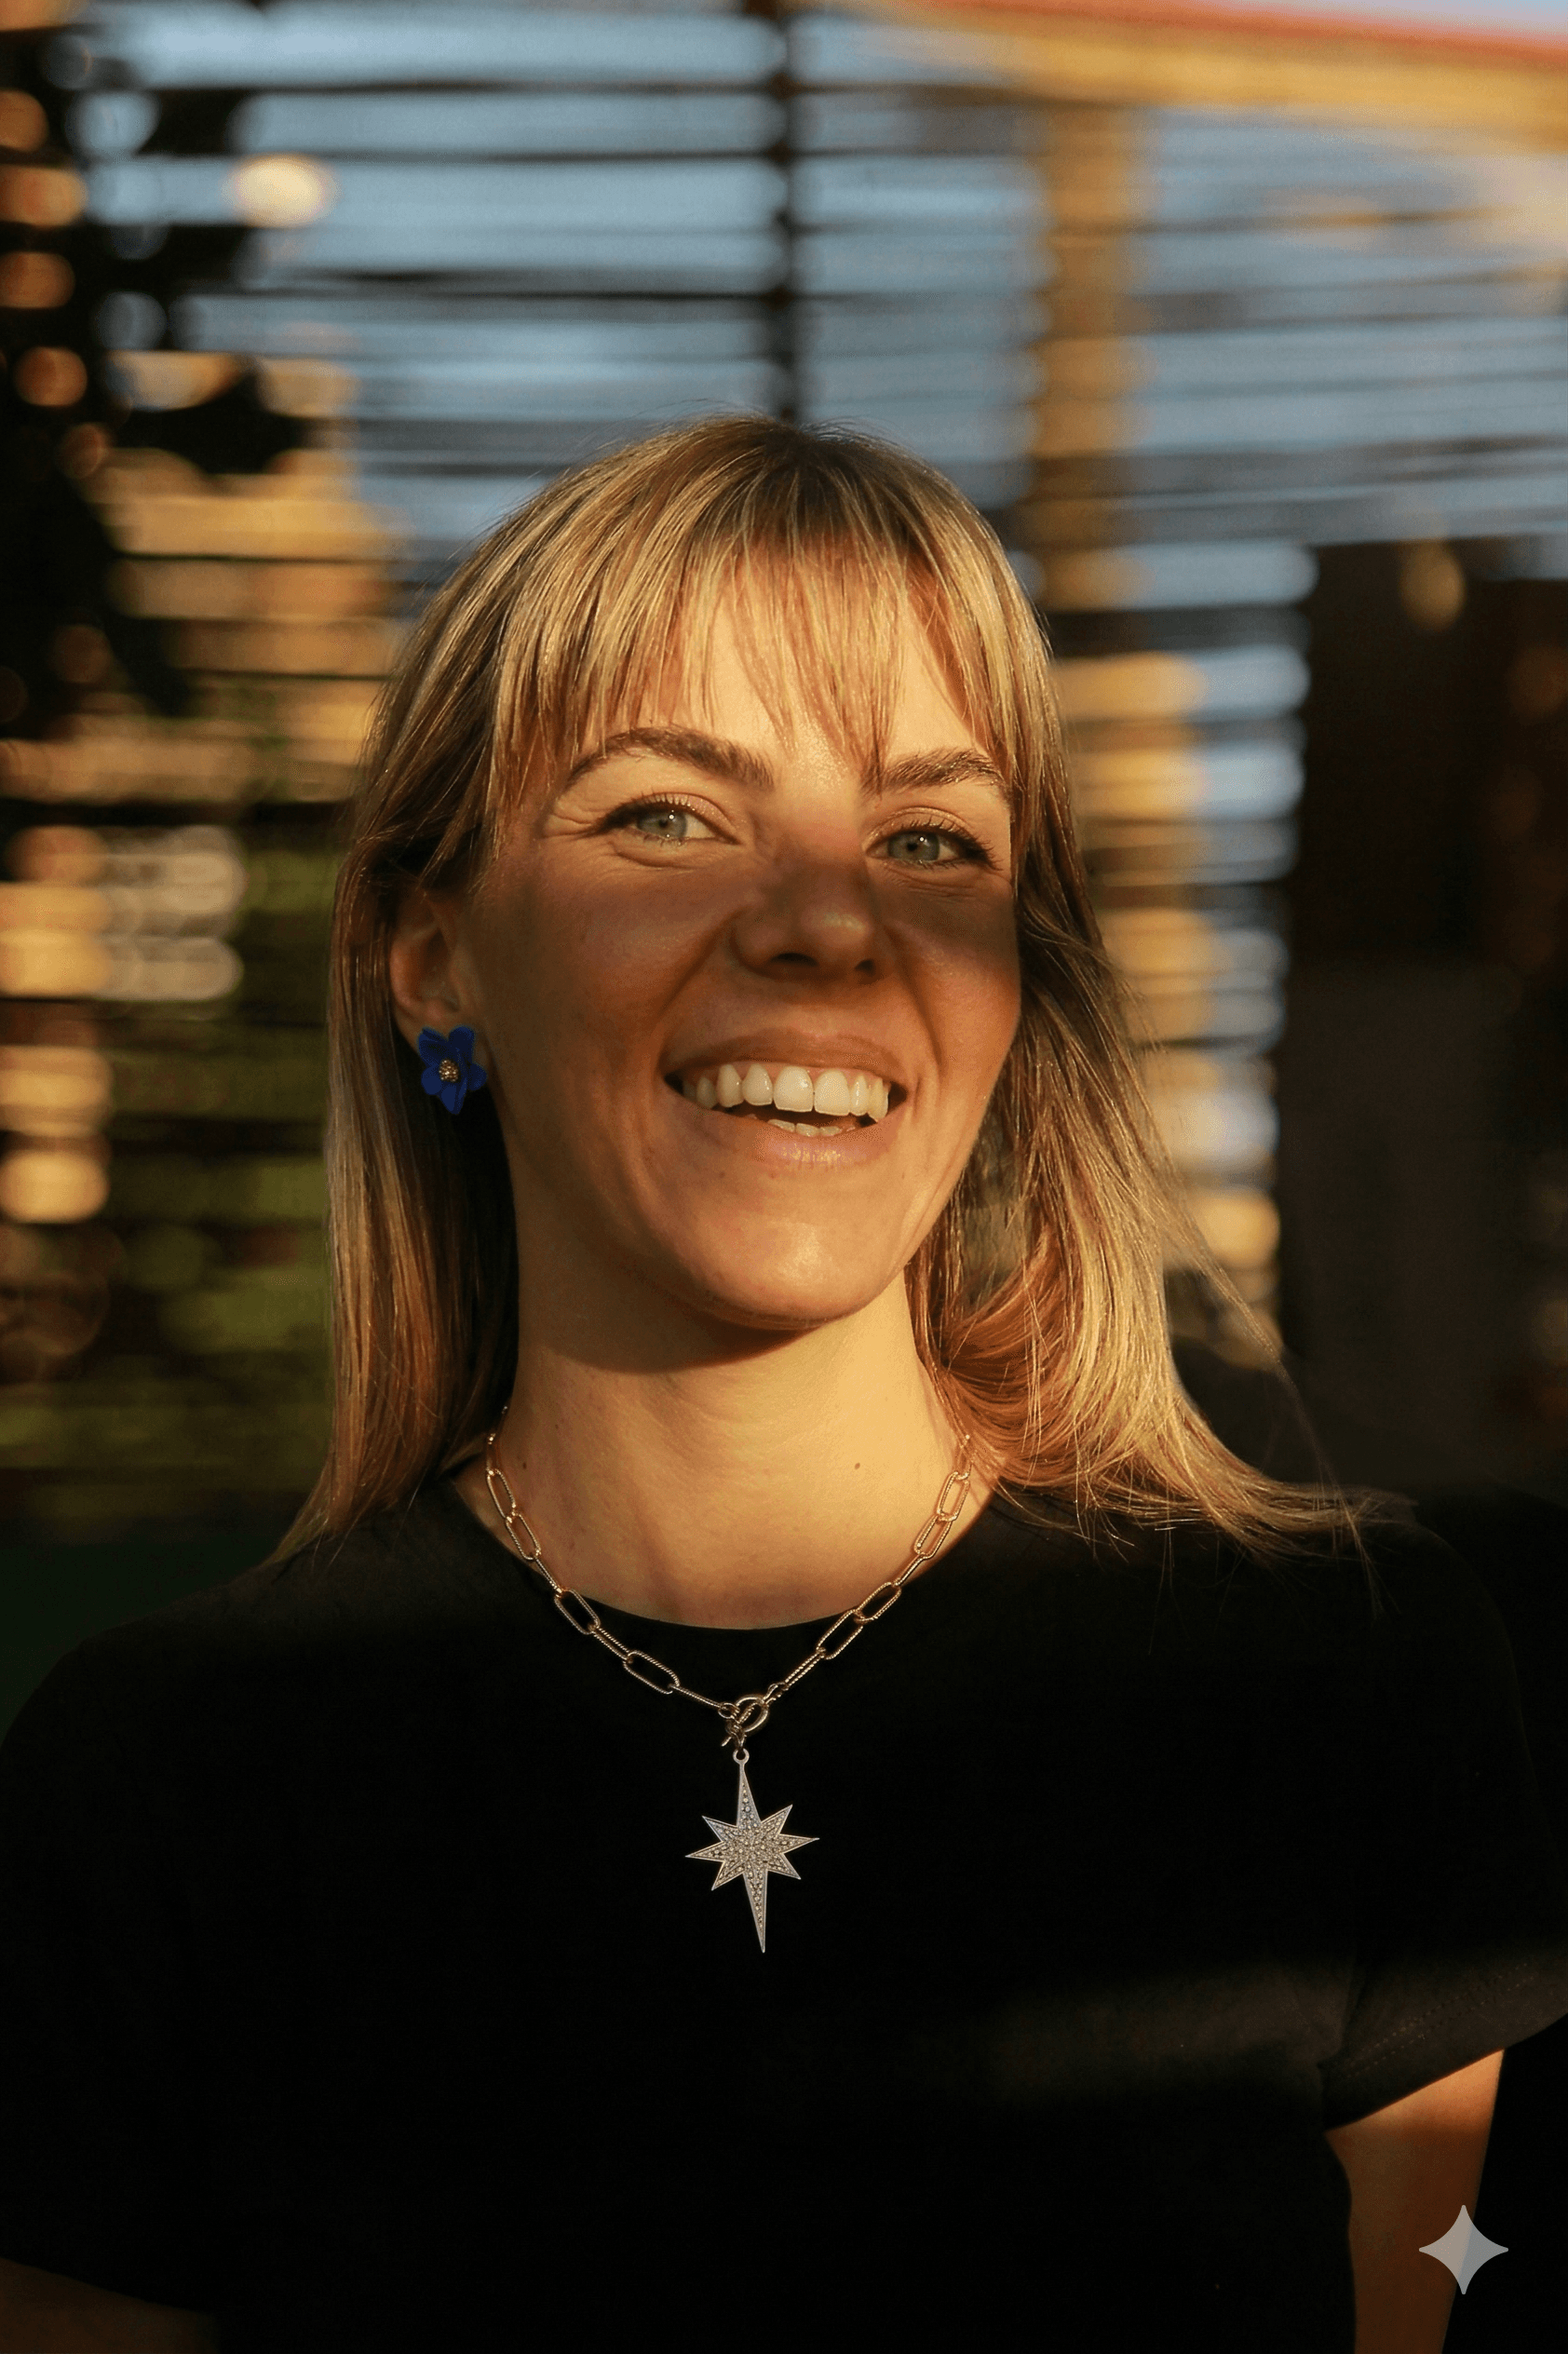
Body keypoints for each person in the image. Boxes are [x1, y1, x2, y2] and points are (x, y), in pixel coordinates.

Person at [1, 420, 1563, 2354]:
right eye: (665, 813)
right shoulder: (161, 1791)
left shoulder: (1355, 1679)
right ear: (431, 962)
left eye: (929, 838)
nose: (826, 920)